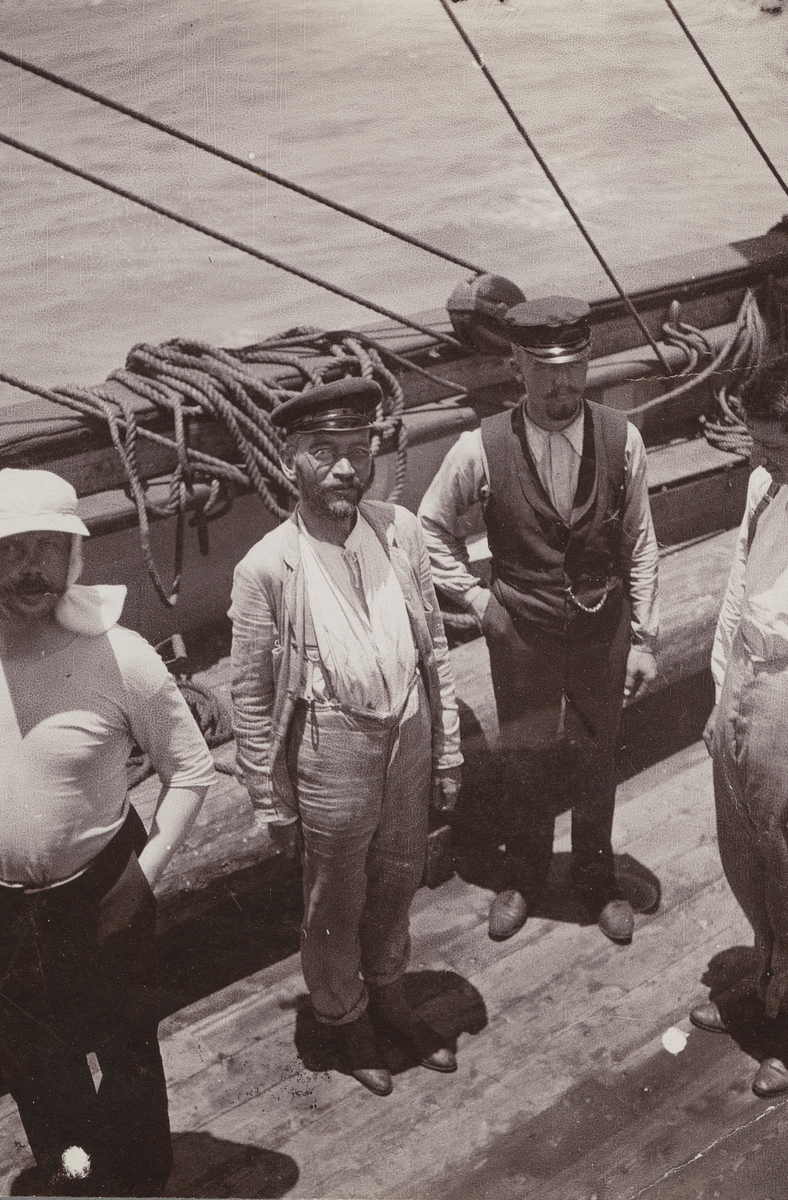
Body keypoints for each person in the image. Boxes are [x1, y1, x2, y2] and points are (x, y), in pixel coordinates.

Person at [0, 468, 217, 1196]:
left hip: (102, 890)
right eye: (7, 551)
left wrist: (144, 874)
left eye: (46, 548)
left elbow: (192, 774)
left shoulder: (122, 655)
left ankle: (138, 1179)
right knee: (32, 1054)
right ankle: (75, 1171)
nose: (29, 568)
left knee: (125, 1046)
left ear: (76, 558)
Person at [228, 377, 463, 1096]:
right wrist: (269, 800)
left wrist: (447, 750)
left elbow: (436, 648)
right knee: (333, 898)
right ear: (288, 462)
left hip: (410, 733)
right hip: (330, 746)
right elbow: (249, 695)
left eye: (356, 450)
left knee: (397, 876)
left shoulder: (401, 530)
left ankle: (390, 994)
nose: (343, 468)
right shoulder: (267, 566)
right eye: (323, 452)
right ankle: (344, 1014)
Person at [418, 294, 659, 944]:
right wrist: (478, 602)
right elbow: (428, 529)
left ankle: (595, 879)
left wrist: (643, 638)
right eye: (546, 368)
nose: (562, 384)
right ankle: (522, 878)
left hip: (601, 633)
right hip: (518, 634)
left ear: (587, 361)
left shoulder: (621, 439)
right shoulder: (481, 447)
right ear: (518, 363)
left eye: (574, 366)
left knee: (595, 758)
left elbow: (639, 542)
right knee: (525, 763)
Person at [689, 351, 788, 1098]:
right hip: (744, 685)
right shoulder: (765, 485)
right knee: (749, 859)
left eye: (774, 445)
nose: (759, 458)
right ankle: (769, 980)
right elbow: (739, 590)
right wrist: (718, 695)